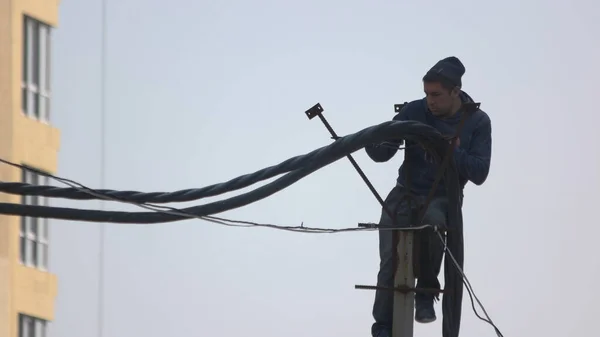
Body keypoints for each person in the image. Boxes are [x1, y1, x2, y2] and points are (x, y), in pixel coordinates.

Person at [365, 56, 492, 337]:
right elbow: (383, 151)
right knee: (391, 256)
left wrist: (452, 151)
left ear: (455, 92)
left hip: (444, 197)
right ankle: (383, 326)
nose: (430, 101)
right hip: (405, 192)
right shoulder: (415, 111)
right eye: (426, 94)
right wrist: (373, 141)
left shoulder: (477, 122)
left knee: (432, 227)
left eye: (436, 95)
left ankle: (425, 293)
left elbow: (480, 172)